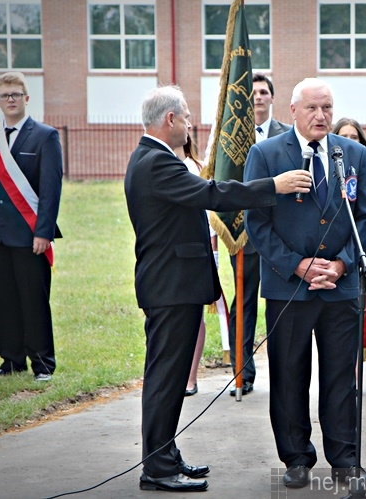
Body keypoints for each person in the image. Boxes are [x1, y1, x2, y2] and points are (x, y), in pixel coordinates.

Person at [124, 85, 311, 492]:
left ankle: (165, 455)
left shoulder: (155, 158)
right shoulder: (156, 162)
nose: (191, 123)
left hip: (176, 286)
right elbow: (212, 194)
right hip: (170, 287)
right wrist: (272, 186)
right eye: (187, 116)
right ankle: (156, 469)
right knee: (165, 378)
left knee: (171, 378)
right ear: (170, 120)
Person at [244, 78, 366, 489]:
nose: (321, 116)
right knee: (288, 374)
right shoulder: (265, 154)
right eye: (313, 108)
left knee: (341, 376)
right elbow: (256, 223)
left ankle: (345, 459)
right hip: (290, 289)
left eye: (328, 108)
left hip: (340, 287)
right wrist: (297, 265)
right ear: (294, 110)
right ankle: (296, 456)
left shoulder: (350, 153)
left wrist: (340, 264)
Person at [228, 72, 292, 397]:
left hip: (281, 236)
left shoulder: (287, 136)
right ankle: (243, 373)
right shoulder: (231, 137)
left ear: (272, 97)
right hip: (243, 234)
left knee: (281, 304)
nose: (258, 97)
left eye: (264, 92)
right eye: (252, 92)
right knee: (245, 301)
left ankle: (284, 373)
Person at [0, 71, 63, 381]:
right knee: (5, 299)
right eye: (4, 95)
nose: (9, 99)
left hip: (29, 234)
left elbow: (51, 190)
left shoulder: (45, 136)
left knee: (33, 300)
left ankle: (42, 363)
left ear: (26, 98)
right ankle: (11, 360)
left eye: (15, 94)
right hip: (0, 236)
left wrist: (43, 232)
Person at [332, 117, 366, 361]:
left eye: (354, 137)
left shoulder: (365, 170)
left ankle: (352, 376)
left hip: (357, 250)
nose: (349, 142)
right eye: (343, 136)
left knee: (355, 317)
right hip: (331, 250)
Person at [174, 134, 218, 397]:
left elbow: (208, 212)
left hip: (196, 251)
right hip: (170, 256)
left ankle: (190, 377)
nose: (188, 124)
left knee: (195, 315)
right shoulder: (160, 162)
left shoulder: (195, 167)